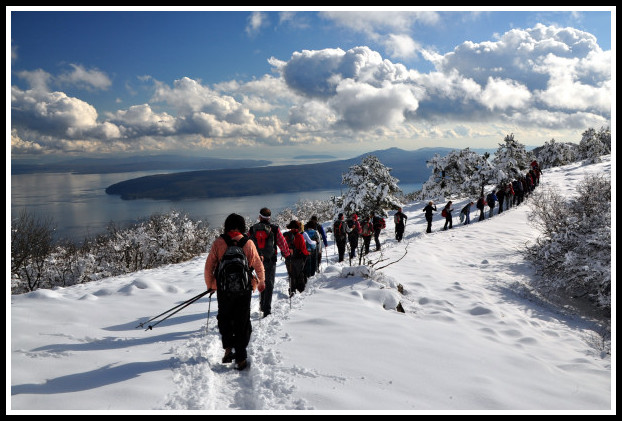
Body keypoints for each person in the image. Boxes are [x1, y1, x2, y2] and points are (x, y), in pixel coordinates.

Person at [204, 213, 265, 371]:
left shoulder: (219, 242)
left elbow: (209, 266)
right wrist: (261, 281)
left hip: (223, 289)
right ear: (242, 226)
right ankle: (241, 357)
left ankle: (228, 349)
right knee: (242, 320)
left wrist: (211, 285)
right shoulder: (248, 243)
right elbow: (258, 265)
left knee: (225, 318)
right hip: (244, 289)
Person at [248, 207, 290, 318]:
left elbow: (247, 243)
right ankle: (267, 309)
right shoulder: (275, 229)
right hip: (270, 261)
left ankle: (262, 305)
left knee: (261, 282)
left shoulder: (252, 229)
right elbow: (283, 244)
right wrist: (287, 255)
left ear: (260, 217)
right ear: (269, 217)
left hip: (257, 262)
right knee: (269, 284)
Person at [283, 220, 310, 296]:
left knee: (291, 274)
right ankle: (301, 290)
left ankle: (292, 290)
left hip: (288, 258)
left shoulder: (286, 236)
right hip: (298, 259)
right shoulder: (299, 236)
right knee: (299, 274)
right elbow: (303, 249)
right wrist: (307, 254)